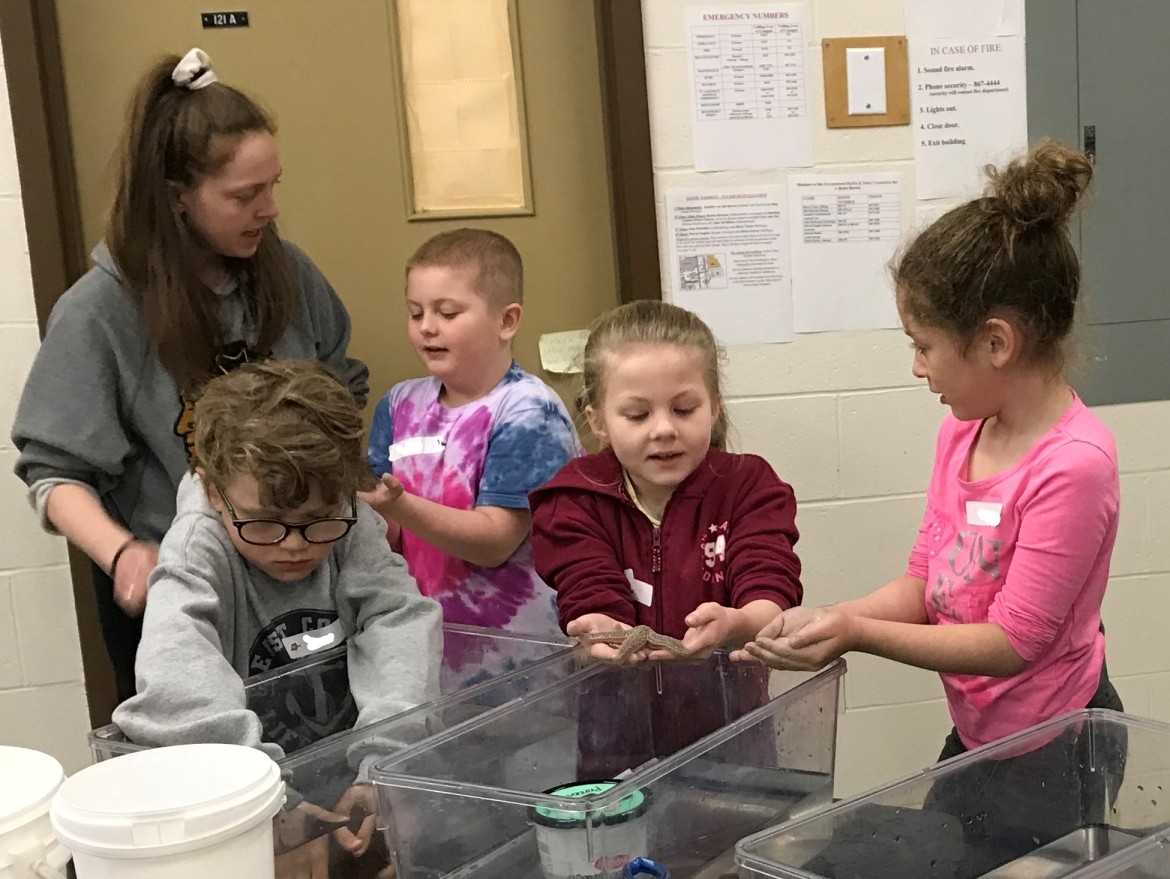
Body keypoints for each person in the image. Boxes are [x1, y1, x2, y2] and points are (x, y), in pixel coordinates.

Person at [734, 141, 1124, 872]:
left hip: (1055, 750)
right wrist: (826, 617)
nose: (916, 367)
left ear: (996, 342)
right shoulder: (962, 432)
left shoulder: (1073, 465)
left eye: (925, 346)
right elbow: (926, 583)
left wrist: (856, 632)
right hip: (981, 735)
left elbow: (1015, 642)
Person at [11, 48, 368, 703]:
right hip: (186, 593)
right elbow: (55, 474)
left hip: (301, 574)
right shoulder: (99, 312)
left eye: (273, 186)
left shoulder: (290, 275)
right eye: (245, 195)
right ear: (177, 198)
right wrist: (125, 554)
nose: (269, 208)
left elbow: (342, 399)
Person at [113, 359, 441, 871]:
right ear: (214, 492)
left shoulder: (351, 523)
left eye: (317, 521)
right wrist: (262, 798)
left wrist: (385, 767)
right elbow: (176, 675)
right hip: (239, 802)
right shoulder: (198, 543)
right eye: (265, 524)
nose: (294, 546)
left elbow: (399, 618)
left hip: (345, 783)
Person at [529, 300, 802, 775]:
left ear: (714, 407)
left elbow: (770, 587)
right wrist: (598, 626)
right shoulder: (573, 499)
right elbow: (587, 584)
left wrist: (736, 622)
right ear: (598, 421)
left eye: (684, 409)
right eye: (637, 415)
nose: (663, 430)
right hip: (616, 736)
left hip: (730, 731)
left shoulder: (750, 488)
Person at [363, 228, 581, 636]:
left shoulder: (529, 411)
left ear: (507, 320)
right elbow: (388, 536)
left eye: (446, 313)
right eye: (415, 313)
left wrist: (398, 506)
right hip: (425, 638)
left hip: (519, 647)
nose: (427, 327)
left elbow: (496, 541)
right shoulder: (398, 404)